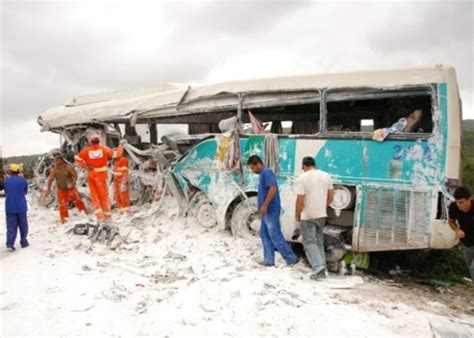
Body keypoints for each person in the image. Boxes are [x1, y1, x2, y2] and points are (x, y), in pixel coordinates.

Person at [247, 155, 298, 266]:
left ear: (258, 164)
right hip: (266, 211)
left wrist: (265, 205)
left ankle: (291, 258)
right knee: (264, 235)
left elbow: (273, 189)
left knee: (275, 234)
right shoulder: (262, 174)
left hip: (271, 209)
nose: (252, 170)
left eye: (253, 168)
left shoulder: (266, 172)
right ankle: (269, 260)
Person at [295, 156, 334, 280]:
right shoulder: (326, 176)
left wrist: (297, 214)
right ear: (314, 164)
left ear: (304, 166)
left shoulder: (302, 178)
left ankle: (319, 269)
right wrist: (323, 207)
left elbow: (300, 201)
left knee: (309, 242)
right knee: (318, 241)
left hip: (308, 215)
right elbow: (331, 197)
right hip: (321, 214)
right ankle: (323, 267)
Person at [74, 134, 123, 222]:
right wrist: (120, 146)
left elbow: (77, 157)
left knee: (95, 197)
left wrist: (85, 166)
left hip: (91, 176)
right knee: (103, 197)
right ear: (99, 141)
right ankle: (107, 217)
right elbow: (117, 154)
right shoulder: (104, 149)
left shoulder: (87, 151)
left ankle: (99, 218)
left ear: (91, 142)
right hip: (101, 176)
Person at [45, 154, 87, 223]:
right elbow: (50, 179)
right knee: (62, 204)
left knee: (77, 200)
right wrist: (48, 189)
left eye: (57, 161)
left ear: (61, 160)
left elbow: (75, 175)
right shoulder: (54, 170)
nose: (55, 162)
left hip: (71, 188)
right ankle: (64, 219)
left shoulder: (69, 167)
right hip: (61, 189)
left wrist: (73, 182)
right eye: (55, 161)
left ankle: (84, 212)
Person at [448, 186, 474, 281]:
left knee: (473, 268)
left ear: (469, 199)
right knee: (470, 267)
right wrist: (457, 230)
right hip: (466, 243)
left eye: (462, 202)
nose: (459, 205)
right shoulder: (454, 207)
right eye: (457, 202)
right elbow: (451, 222)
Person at [4, 164, 29, 251]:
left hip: (10, 207)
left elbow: (7, 192)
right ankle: (24, 242)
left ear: (10, 171)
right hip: (21, 206)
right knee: (23, 226)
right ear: (18, 171)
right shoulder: (23, 180)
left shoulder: (6, 181)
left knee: (11, 226)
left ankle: (10, 244)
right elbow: (25, 192)